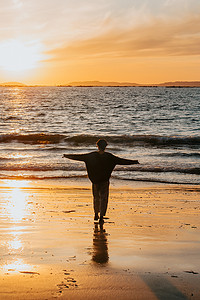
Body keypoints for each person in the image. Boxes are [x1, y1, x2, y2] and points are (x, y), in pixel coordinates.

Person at [63, 139, 139, 223]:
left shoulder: (91, 156)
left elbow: (79, 157)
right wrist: (134, 162)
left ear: (97, 146)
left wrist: (67, 156)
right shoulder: (109, 157)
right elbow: (122, 161)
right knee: (104, 198)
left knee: (96, 197)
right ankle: (101, 217)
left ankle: (96, 213)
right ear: (105, 146)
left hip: (95, 180)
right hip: (104, 180)